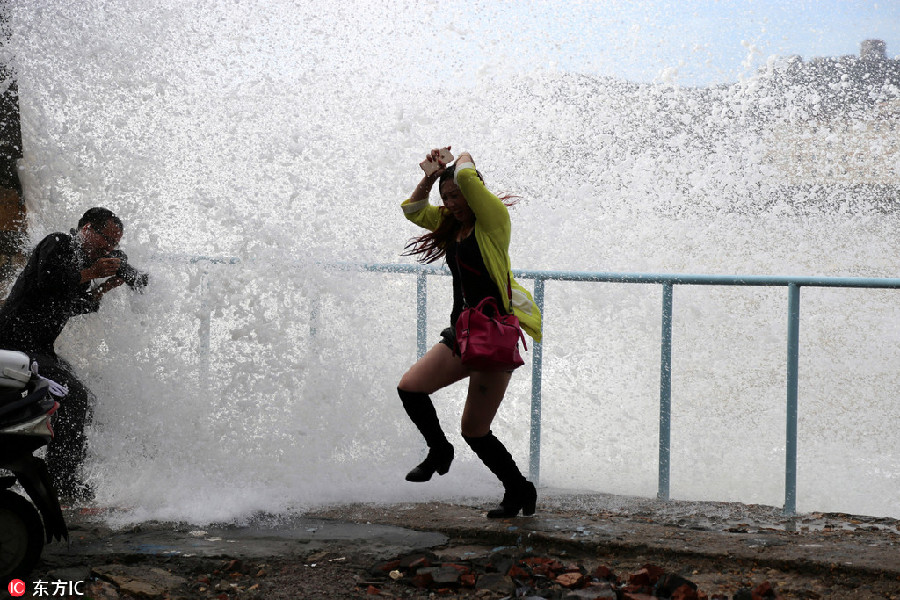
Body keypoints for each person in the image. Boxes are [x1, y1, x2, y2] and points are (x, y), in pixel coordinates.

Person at [398, 148, 542, 518]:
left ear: (473, 191)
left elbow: (465, 170)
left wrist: (459, 159)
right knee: (411, 388)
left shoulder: (493, 221)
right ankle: (438, 450)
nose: (451, 203)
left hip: (493, 334)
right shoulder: (452, 227)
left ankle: (519, 490)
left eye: (457, 196)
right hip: (461, 334)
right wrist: (431, 177)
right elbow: (413, 211)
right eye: (446, 199)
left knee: (474, 429)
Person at [0, 207, 137, 500]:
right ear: (86, 228)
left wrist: (104, 288)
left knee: (84, 396)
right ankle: (63, 486)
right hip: (14, 344)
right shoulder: (59, 243)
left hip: (38, 350)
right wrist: (91, 273)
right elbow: (48, 280)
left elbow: (73, 305)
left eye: (114, 244)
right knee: (74, 396)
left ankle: (53, 473)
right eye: (105, 239)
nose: (108, 248)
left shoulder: (83, 268)